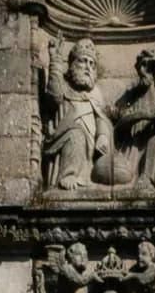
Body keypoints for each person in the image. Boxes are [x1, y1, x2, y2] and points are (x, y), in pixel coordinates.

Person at [42, 38, 117, 191]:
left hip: (91, 150)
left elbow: (101, 118)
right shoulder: (64, 86)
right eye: (83, 61)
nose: (88, 67)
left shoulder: (96, 94)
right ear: (71, 66)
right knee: (76, 134)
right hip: (65, 137)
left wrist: (103, 136)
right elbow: (54, 95)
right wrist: (55, 61)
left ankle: (87, 176)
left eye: (92, 64)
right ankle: (67, 175)